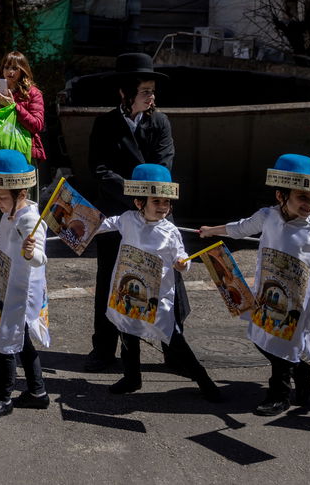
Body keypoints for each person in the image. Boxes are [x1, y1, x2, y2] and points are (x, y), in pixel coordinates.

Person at [199, 154, 310, 416]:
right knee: (260, 336)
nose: (309, 204)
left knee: (283, 341)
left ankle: (279, 395)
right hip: (267, 292)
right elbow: (240, 228)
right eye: (302, 197)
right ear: (281, 196)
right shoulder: (267, 216)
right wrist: (211, 231)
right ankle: (301, 369)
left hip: (300, 298)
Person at [81, 52, 175, 372]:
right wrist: (133, 198)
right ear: (125, 92)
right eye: (145, 90)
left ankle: (174, 349)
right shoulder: (105, 124)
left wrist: (146, 202)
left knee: (163, 282)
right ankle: (104, 348)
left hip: (154, 212)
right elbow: (101, 170)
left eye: (152, 91)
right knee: (110, 279)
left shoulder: (160, 122)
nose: (151, 96)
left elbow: (164, 165)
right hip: (116, 213)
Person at [95, 165, 220, 401]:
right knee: (127, 332)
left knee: (173, 338)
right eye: (156, 201)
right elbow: (104, 224)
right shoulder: (127, 219)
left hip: (157, 295)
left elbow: (181, 255)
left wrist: (183, 263)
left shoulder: (170, 231)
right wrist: (78, 225)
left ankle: (204, 381)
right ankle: (132, 378)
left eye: (167, 202)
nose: (163, 207)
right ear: (139, 202)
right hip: (127, 289)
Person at [0, 149, 50, 420]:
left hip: (20, 289)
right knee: (22, 340)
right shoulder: (9, 214)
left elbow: (40, 258)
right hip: (5, 283)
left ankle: (3, 398)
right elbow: (4, 238)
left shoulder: (31, 219)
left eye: (2, 197)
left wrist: (30, 253)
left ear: (21, 193)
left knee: (6, 341)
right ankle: (38, 392)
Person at [0, 51, 45, 236]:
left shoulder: (33, 94)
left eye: (14, 68)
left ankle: (25, 244)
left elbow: (37, 125)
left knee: (23, 201)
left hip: (23, 156)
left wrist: (15, 107)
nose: (10, 72)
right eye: (6, 67)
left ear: (23, 71)